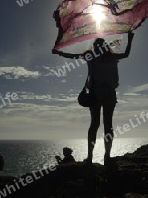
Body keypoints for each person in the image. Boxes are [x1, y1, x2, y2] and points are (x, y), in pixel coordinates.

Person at [53, 32, 135, 165]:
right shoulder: (111, 57)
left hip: (95, 93)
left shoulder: (91, 57)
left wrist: (60, 53)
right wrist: (130, 39)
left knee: (94, 125)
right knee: (107, 125)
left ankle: (90, 157)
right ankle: (106, 156)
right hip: (109, 93)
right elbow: (126, 54)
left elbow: (74, 56)